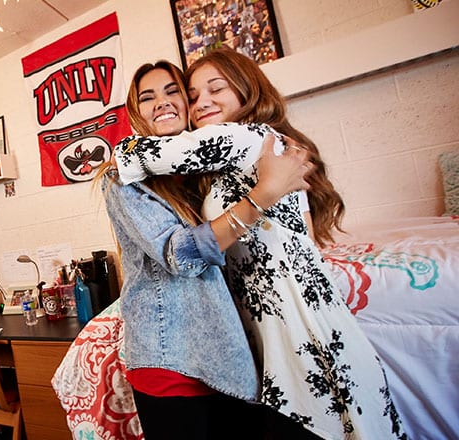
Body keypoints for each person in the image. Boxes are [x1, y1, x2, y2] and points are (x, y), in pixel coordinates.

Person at [114, 49, 406, 439]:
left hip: (296, 332)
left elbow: (138, 158)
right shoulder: (256, 156)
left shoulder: (246, 138)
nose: (202, 103)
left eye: (214, 89)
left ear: (246, 91)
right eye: (195, 94)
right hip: (278, 329)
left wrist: (117, 149)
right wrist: (266, 193)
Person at [93, 60, 313, 439]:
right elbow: (180, 254)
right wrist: (265, 194)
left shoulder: (204, 171)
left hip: (227, 350)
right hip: (170, 357)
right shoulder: (122, 177)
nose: (161, 102)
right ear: (135, 111)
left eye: (173, 92)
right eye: (147, 98)